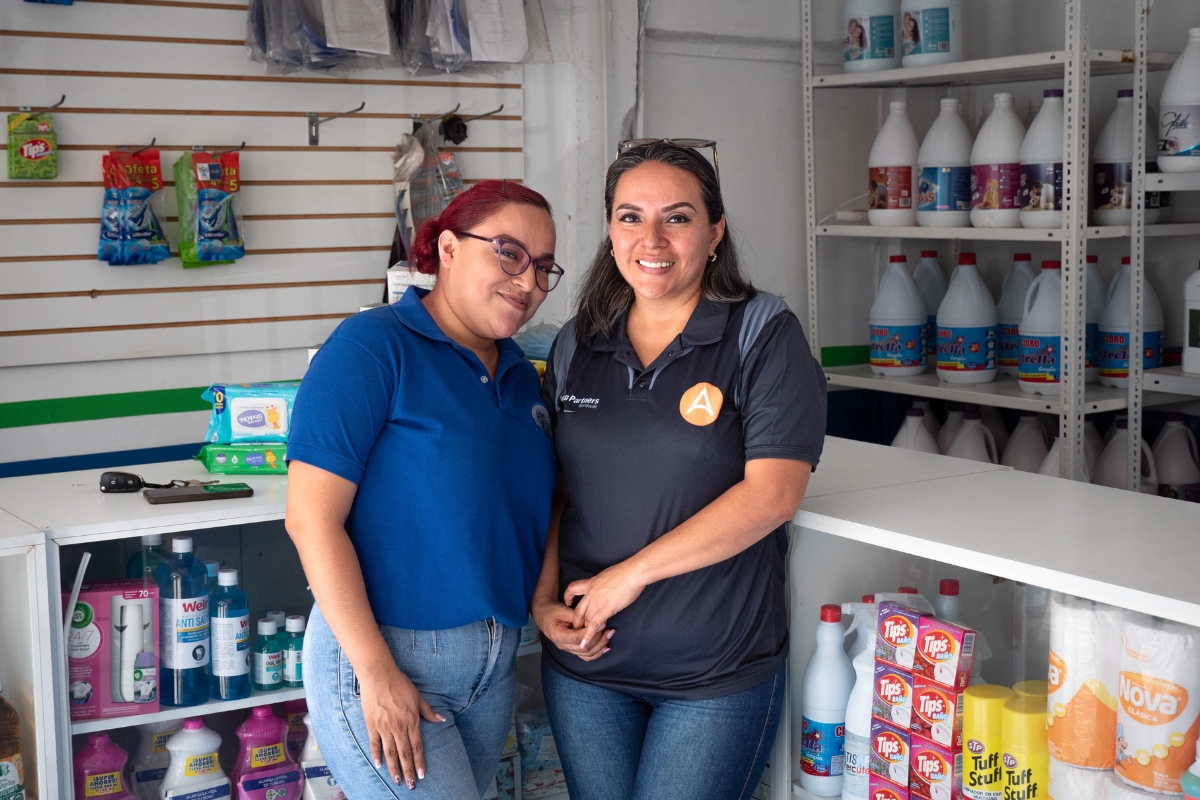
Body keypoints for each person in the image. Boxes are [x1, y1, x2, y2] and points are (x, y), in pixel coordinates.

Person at [532, 141, 828, 800]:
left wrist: (626, 578)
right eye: (630, 217)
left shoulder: (761, 333)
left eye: (679, 217)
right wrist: (544, 602)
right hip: (587, 670)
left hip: (712, 677)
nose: (652, 238)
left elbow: (774, 495)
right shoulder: (578, 342)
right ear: (610, 233)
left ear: (715, 230)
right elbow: (559, 492)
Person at [285, 180, 564, 798]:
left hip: (493, 662)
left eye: (544, 268)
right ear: (448, 247)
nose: (528, 283)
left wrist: (543, 603)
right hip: (383, 653)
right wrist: (374, 670)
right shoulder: (371, 347)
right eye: (509, 253)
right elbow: (310, 520)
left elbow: (544, 507)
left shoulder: (521, 374)